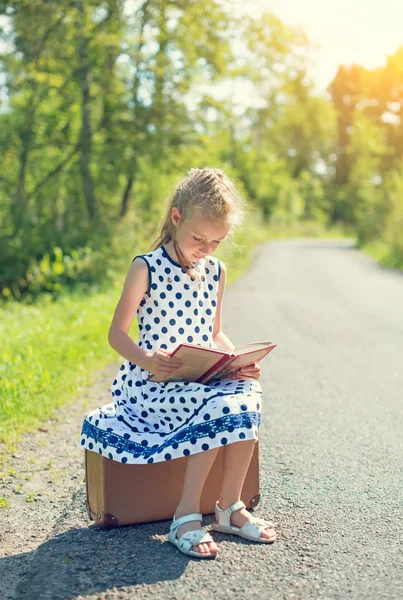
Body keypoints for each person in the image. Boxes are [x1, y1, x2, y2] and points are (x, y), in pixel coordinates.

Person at [80, 167, 277, 558]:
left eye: (216, 242)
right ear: (176, 218)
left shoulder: (216, 271)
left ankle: (228, 508)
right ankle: (185, 516)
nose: (205, 249)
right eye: (198, 238)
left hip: (197, 379)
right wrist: (147, 360)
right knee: (215, 403)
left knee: (247, 392)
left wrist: (236, 362)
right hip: (151, 386)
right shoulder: (146, 268)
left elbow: (215, 333)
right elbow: (116, 334)